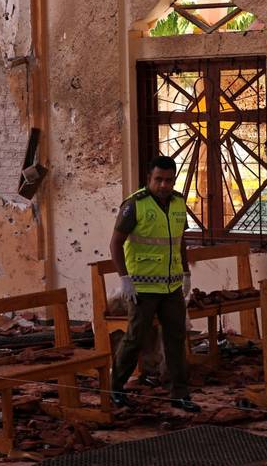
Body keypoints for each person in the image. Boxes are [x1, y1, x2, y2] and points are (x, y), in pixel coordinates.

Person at [109, 155, 200, 412]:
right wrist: (124, 279)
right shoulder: (134, 205)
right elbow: (115, 243)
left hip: (171, 287)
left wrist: (185, 273)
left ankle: (179, 393)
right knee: (135, 337)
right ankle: (115, 387)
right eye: (158, 180)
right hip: (142, 288)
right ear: (149, 178)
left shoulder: (179, 203)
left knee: (175, 338)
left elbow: (180, 240)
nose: (163, 185)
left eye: (169, 180)